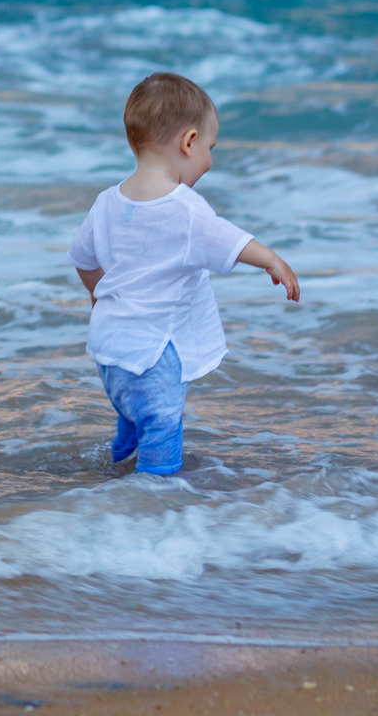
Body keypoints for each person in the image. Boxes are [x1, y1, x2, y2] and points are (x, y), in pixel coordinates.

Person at [67, 72, 299, 477]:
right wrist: (272, 260)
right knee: (161, 432)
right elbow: (228, 240)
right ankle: (153, 496)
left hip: (110, 350)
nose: (210, 160)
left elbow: (82, 259)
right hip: (155, 355)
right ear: (189, 142)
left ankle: (115, 469)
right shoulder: (185, 207)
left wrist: (96, 294)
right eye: (210, 148)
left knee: (133, 416)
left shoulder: (106, 202)